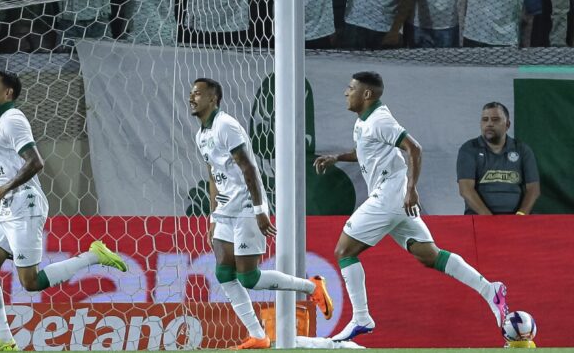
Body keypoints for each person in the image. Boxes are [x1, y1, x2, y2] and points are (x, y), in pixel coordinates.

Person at [313, 71, 509, 342]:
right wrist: (337, 157)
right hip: (392, 196)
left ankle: (361, 317)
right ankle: (491, 290)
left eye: (351, 88)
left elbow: (414, 148)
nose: (346, 92)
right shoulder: (364, 122)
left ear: (366, 94)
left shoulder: (381, 120)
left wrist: (411, 189)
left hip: (390, 195)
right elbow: (364, 152)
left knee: (344, 250)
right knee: (430, 255)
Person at [0, 71, 128, 351]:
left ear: (8, 93)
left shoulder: (13, 120)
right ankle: (4, 342)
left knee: (30, 282)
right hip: (8, 206)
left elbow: (35, 163)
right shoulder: (0, 124)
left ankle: (93, 255)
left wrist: (5, 187)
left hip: (25, 204)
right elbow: (11, 168)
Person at [190, 78, 334, 350]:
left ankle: (312, 287)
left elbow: (249, 169)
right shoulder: (201, 135)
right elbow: (212, 175)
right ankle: (258, 336)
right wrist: (212, 216)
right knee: (223, 274)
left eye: (197, 94)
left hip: (246, 207)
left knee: (249, 279)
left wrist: (259, 210)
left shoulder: (226, 126)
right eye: (191, 94)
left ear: (213, 98)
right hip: (224, 212)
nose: (191, 98)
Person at [456, 102, 540, 215]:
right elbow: (466, 190)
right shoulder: (469, 149)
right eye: (485, 119)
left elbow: (533, 189)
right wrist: (489, 218)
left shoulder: (522, 150)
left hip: (516, 219)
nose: (489, 124)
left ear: (507, 124)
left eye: (495, 119)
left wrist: (521, 215)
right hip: (480, 219)